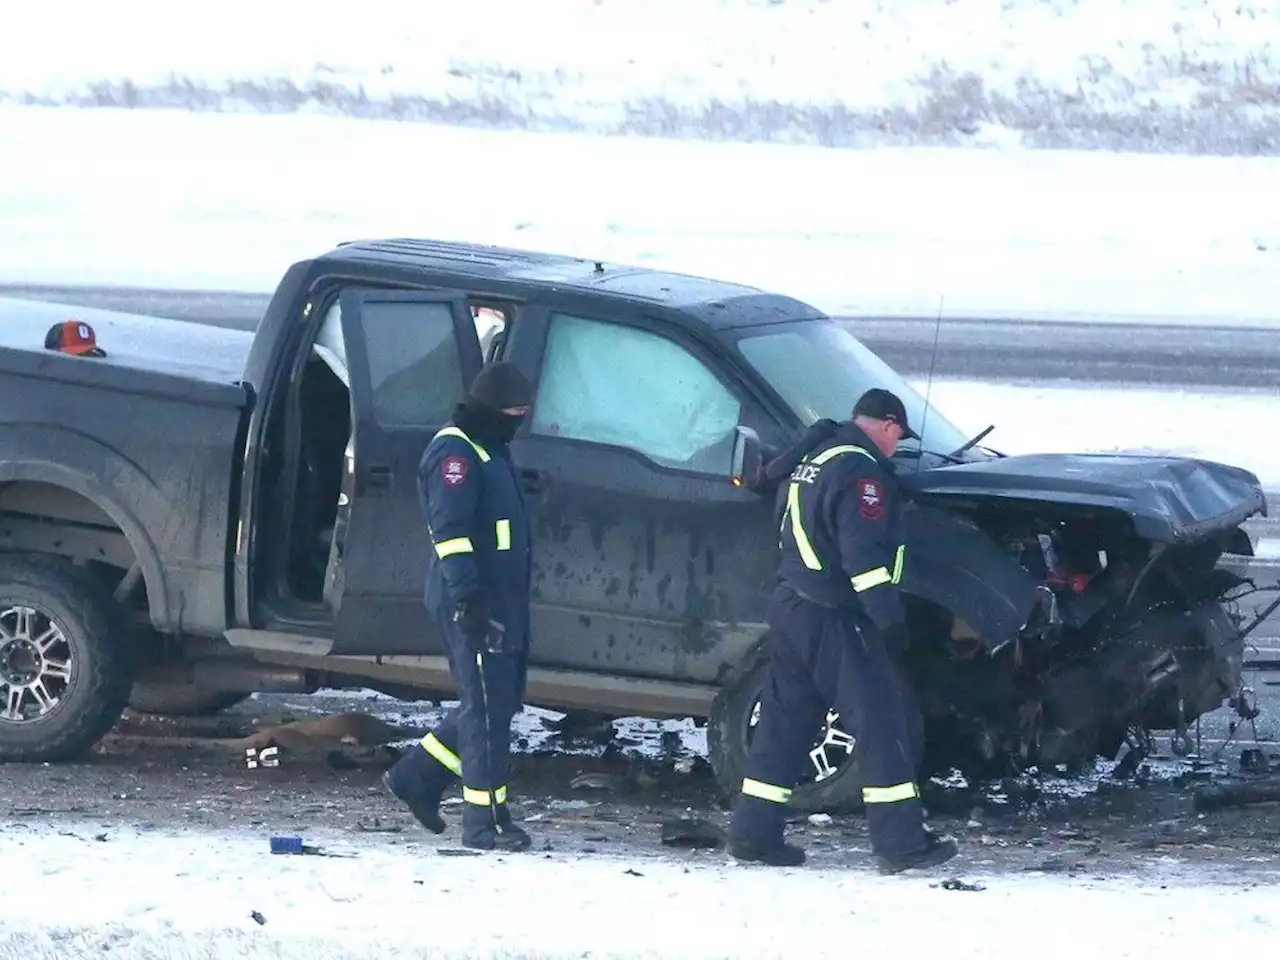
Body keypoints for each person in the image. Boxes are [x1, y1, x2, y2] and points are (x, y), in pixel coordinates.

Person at [727, 388, 958, 874]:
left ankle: (753, 834)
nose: (897, 447)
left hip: (791, 606)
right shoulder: (861, 473)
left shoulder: (817, 454)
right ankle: (901, 844)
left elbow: (767, 489)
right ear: (889, 425)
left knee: (783, 726)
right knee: (881, 722)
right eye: (899, 436)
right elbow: (864, 560)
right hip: (834, 616)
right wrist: (889, 620)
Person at [383, 361, 536, 852]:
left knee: (496, 703)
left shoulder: (491, 446)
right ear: (493, 410)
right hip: (472, 600)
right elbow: (450, 533)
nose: (519, 422)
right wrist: (468, 597)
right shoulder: (456, 453)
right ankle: (484, 823)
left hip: (502, 600)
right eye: (514, 413)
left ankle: (417, 775)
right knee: (486, 711)